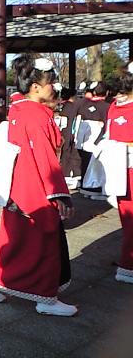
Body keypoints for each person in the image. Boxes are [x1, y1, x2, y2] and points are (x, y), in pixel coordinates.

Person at [0, 55, 76, 317]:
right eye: (50, 82)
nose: (54, 86)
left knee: (15, 240)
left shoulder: (21, 110)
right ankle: (45, 297)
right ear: (35, 87)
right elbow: (45, 159)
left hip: (19, 185)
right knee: (44, 242)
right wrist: (59, 194)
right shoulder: (36, 116)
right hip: (35, 186)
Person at [103, 65, 133, 284]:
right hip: (125, 168)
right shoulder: (117, 107)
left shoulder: (114, 107)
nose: (119, 96)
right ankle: (128, 265)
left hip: (120, 167)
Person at [76, 81, 110, 197]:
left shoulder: (82, 104)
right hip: (97, 138)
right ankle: (94, 187)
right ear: (107, 93)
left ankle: (84, 186)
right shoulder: (107, 107)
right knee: (96, 165)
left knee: (85, 162)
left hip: (83, 138)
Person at [57, 87, 82, 190]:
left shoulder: (62, 106)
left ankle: (66, 175)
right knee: (72, 155)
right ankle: (72, 176)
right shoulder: (73, 107)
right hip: (70, 134)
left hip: (62, 132)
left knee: (64, 155)